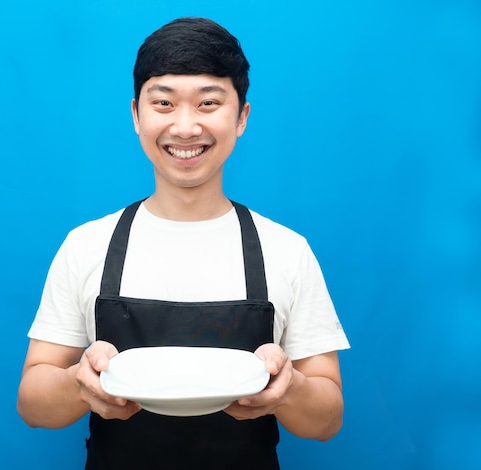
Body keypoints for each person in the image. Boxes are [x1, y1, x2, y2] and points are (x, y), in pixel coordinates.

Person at [17, 17, 350, 469]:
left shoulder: (287, 250)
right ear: (137, 115)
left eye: (209, 102)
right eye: (164, 103)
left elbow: (327, 421)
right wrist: (79, 383)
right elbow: (33, 405)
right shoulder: (86, 244)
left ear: (242, 117)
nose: (186, 127)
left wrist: (290, 390)